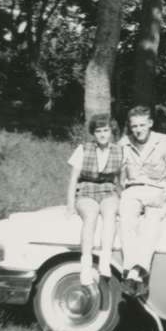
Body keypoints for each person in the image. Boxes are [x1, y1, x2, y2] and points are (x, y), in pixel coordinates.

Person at [118, 106, 166, 295]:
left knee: (151, 222)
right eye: (134, 126)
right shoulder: (124, 144)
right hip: (133, 190)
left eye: (142, 125)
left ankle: (134, 273)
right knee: (126, 220)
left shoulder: (164, 141)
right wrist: (121, 193)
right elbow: (119, 177)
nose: (138, 130)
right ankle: (135, 272)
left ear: (150, 124)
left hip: (158, 190)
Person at [65, 114, 124, 286]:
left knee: (110, 213)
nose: (102, 134)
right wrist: (70, 205)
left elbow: (121, 181)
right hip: (86, 190)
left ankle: (105, 259)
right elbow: (73, 180)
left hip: (108, 190)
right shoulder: (83, 149)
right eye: (98, 131)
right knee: (90, 216)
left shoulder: (119, 151)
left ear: (111, 131)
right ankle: (86, 264)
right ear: (94, 133)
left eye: (106, 130)